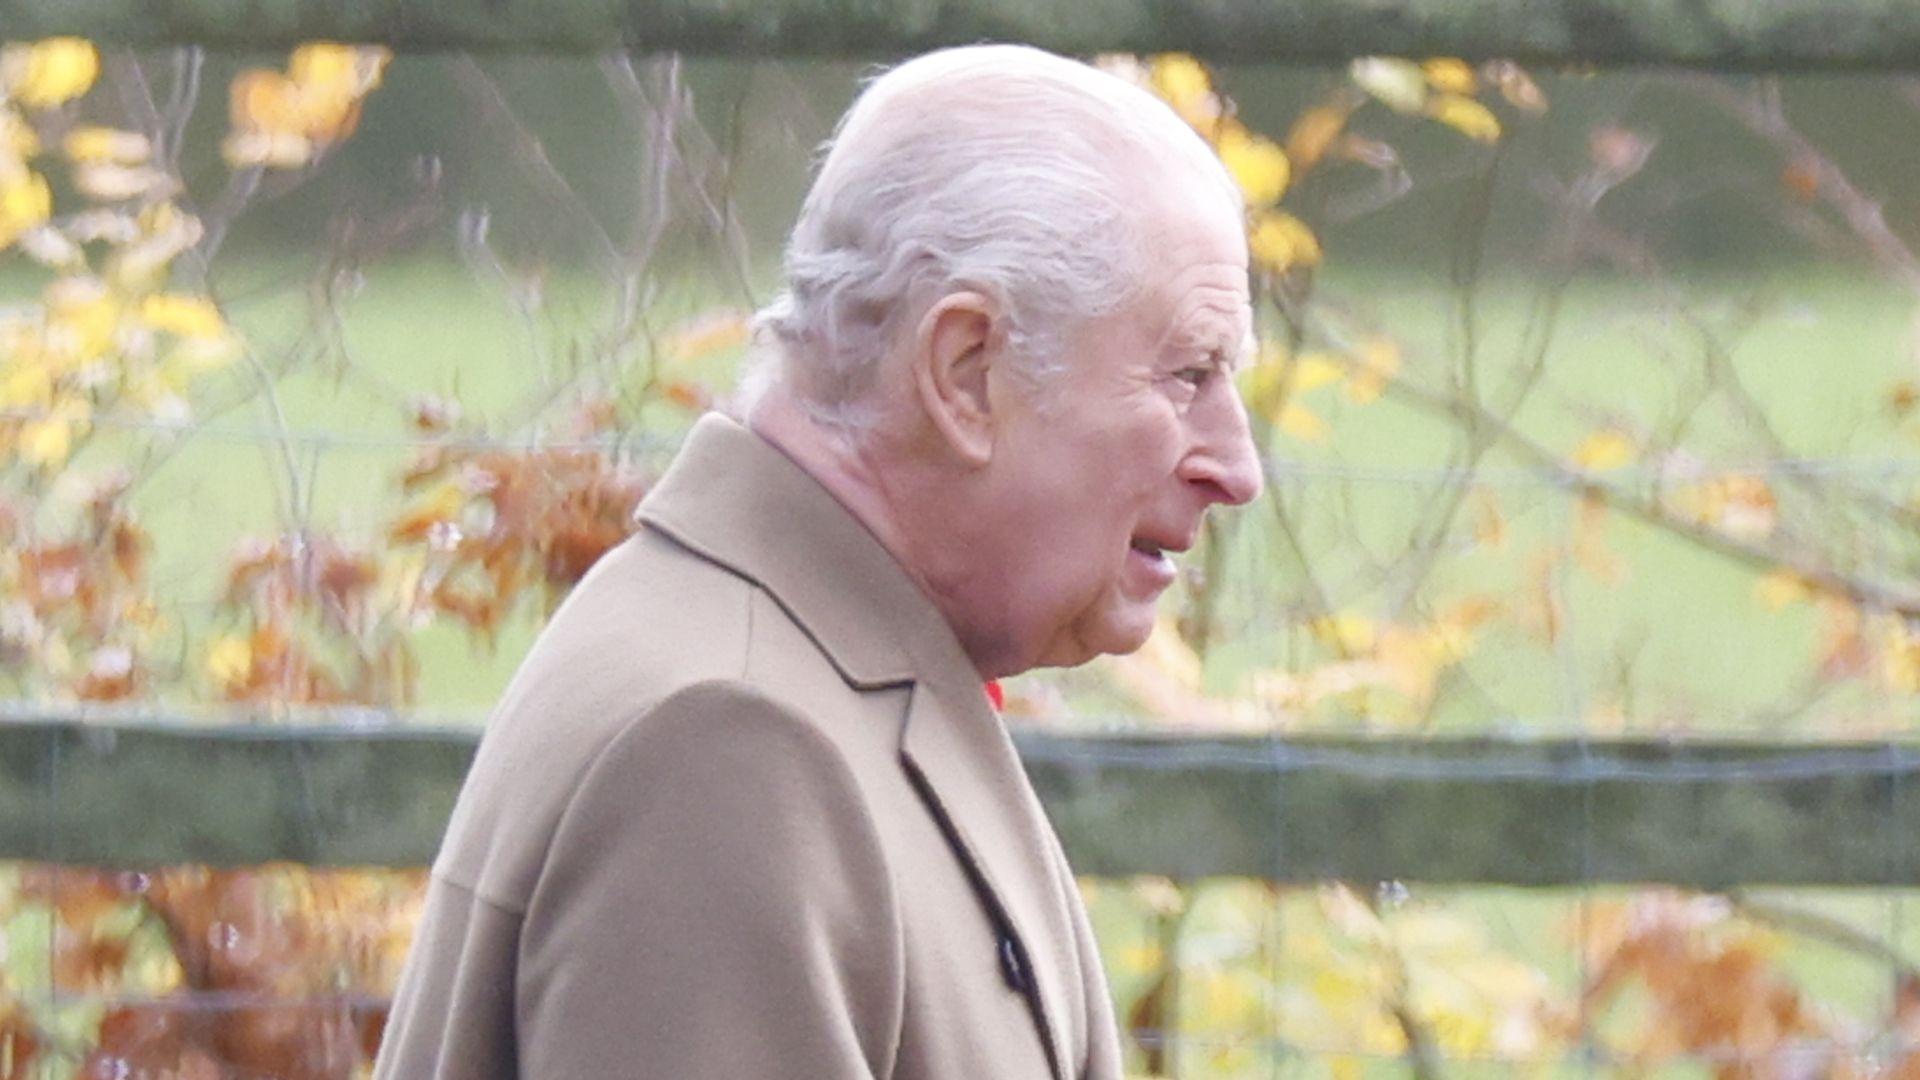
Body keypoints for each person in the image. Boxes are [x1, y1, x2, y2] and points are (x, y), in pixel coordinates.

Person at [374, 43, 1261, 1080]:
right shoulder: (730, 749)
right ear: (966, 371)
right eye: (1188, 372)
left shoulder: (804, 673)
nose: (1236, 466)